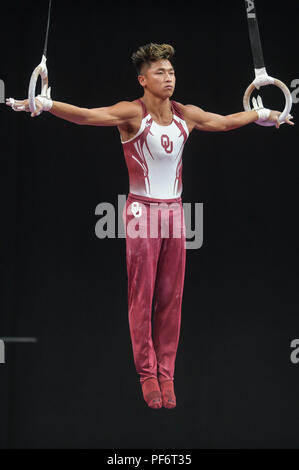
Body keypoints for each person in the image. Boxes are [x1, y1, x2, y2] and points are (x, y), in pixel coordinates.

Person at [6, 43, 294, 410]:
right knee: (142, 297)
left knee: (172, 298)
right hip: (141, 211)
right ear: (143, 79)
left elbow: (224, 121)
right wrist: (44, 104)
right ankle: (147, 375)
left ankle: (167, 374)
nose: (169, 77)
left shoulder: (185, 114)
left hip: (175, 212)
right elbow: (86, 116)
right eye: (160, 72)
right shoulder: (131, 113)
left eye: (171, 71)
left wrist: (266, 113)